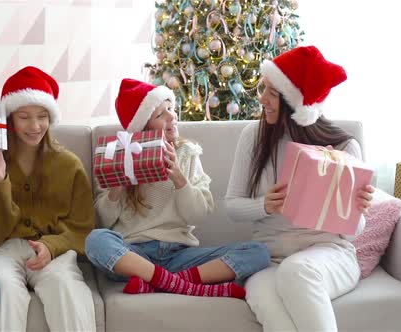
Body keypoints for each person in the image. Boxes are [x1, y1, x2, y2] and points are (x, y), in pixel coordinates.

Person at [225, 45, 375, 331]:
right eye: (263, 88)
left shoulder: (344, 147)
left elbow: (352, 233)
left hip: (329, 256)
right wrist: (264, 205)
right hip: (269, 260)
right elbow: (231, 205)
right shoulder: (253, 137)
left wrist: (356, 209)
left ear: (293, 101)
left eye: (271, 92)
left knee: (297, 272)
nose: (262, 98)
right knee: (272, 305)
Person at [85, 78, 270, 298]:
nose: (172, 116)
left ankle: (165, 283)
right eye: (160, 114)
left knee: (258, 253)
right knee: (96, 240)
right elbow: (103, 221)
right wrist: (117, 188)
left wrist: (180, 180)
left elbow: (198, 215)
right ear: (143, 127)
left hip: (180, 255)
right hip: (134, 256)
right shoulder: (120, 156)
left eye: (171, 109)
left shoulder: (188, 154)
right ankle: (180, 283)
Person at [0, 66, 96, 332]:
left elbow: (83, 229)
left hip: (52, 252)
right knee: (2, 288)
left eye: (42, 117)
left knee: (66, 287)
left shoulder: (69, 165)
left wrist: (52, 246)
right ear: (10, 119)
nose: (34, 126)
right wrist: (0, 181)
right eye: (24, 117)